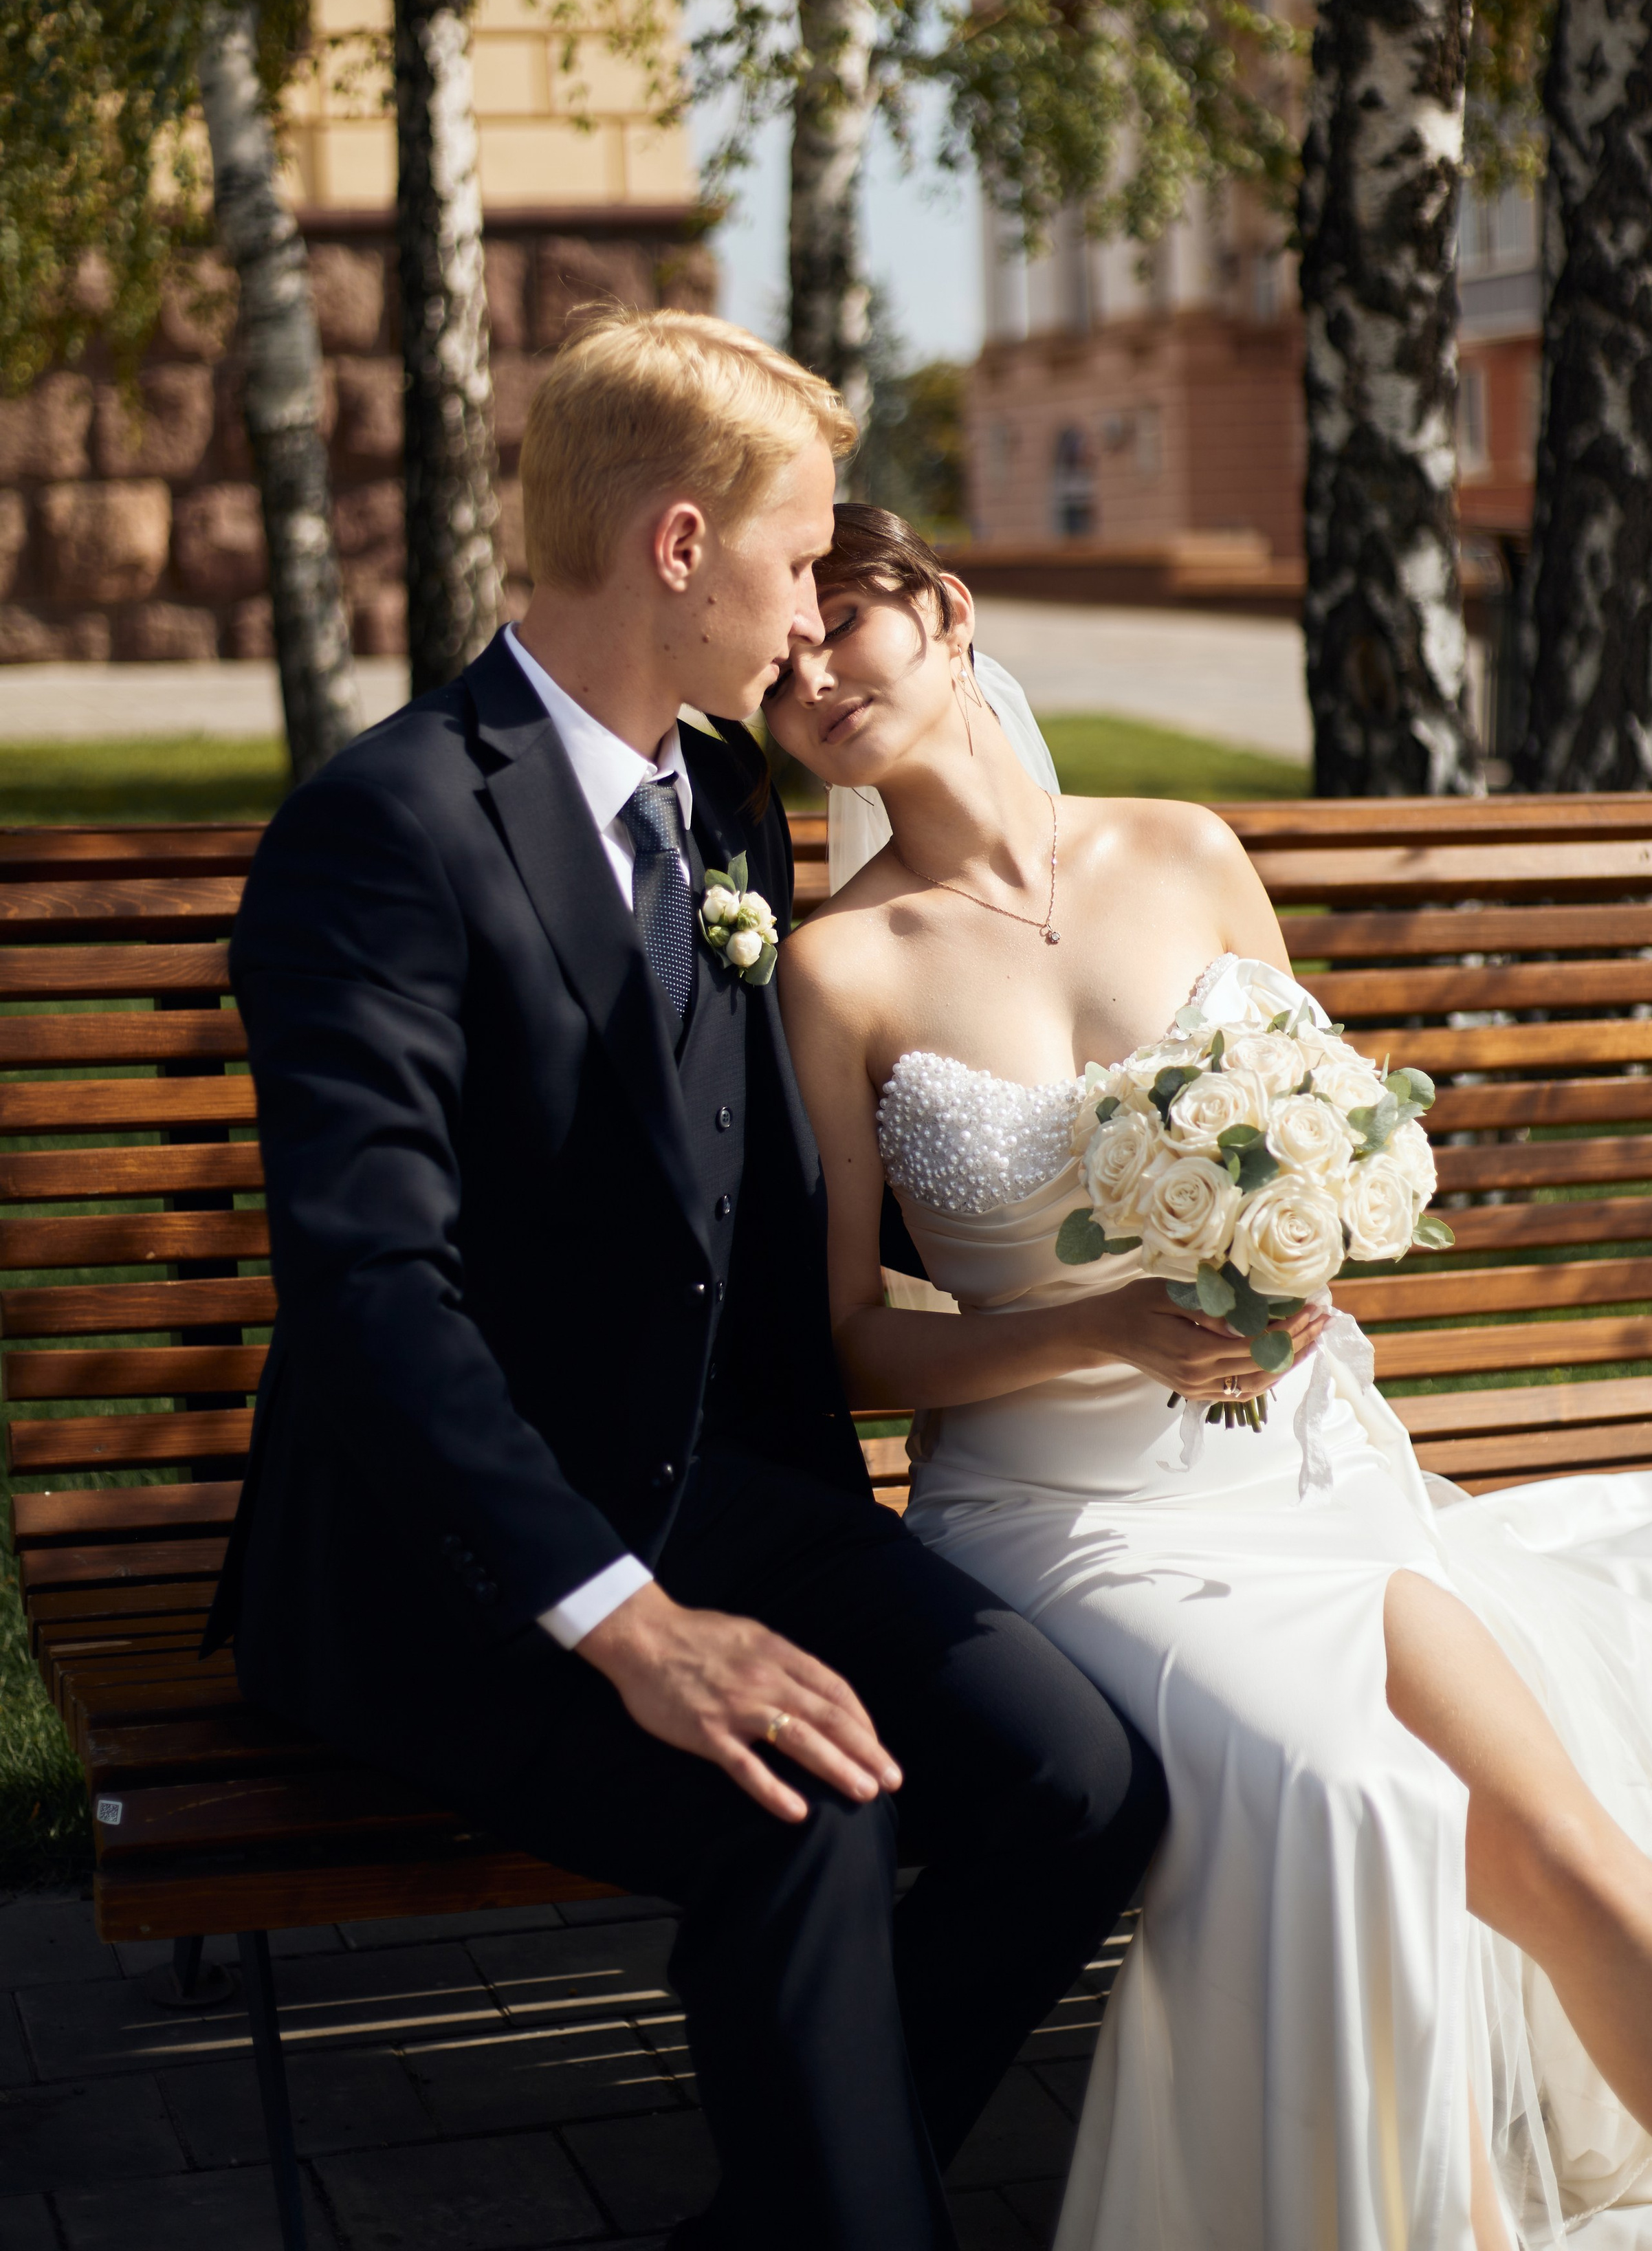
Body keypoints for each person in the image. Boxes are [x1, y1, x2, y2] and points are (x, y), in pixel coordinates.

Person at [205, 315, 1166, 2251]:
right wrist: (631, 1627)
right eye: (801, 551)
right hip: (457, 1564)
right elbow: (375, 1294)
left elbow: (767, 1172)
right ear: (678, 547)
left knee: (1081, 1786)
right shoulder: (382, 835)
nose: (816, 607)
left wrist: (1128, 1185)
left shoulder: (724, 803)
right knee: (803, 1821)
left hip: (725, 1491)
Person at [767, 501, 1652, 2251]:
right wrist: (1089, 1330)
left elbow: (1318, 1144)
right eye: (774, 665)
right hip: (1072, 1523)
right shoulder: (841, 966)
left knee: (1558, 1846)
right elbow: (847, 1333)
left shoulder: (1184, 849)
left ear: (944, 609)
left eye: (842, 620)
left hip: (1306, 1469)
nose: (812, 674)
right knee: (1359, 1803)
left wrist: (1300, 1262)